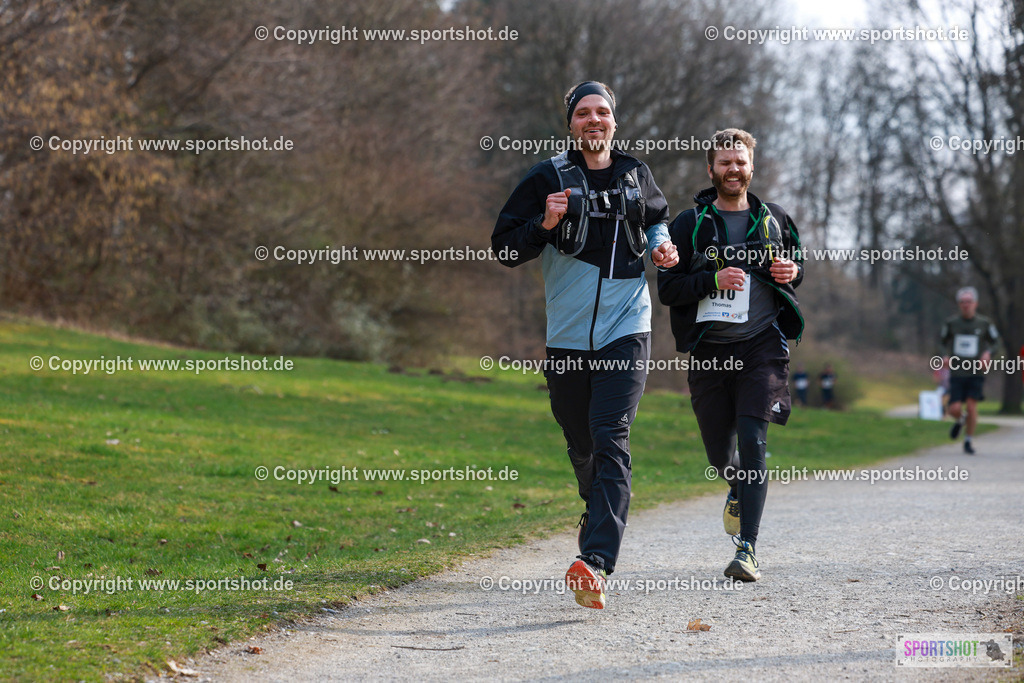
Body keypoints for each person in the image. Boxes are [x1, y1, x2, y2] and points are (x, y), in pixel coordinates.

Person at [491, 81, 678, 609]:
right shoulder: (547, 176)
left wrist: (663, 249)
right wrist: (545, 224)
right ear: (570, 123)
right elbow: (504, 249)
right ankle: (594, 508)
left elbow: (658, 220)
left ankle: (594, 562)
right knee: (581, 443)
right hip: (568, 337)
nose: (594, 121)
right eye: (583, 114)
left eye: (602, 113)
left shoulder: (636, 173)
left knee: (609, 432)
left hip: (627, 324)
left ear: (614, 122)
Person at [658, 128, 803, 582]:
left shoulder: (774, 218)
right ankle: (736, 485)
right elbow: (669, 290)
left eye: (740, 161)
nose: (733, 169)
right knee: (721, 455)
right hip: (710, 353)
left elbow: (796, 267)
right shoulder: (688, 224)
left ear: (752, 166)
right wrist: (712, 281)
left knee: (754, 444)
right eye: (724, 162)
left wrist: (792, 271)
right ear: (711, 169)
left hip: (762, 347)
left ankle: (748, 549)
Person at [939, 286, 1002, 454]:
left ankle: (968, 441)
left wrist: (988, 353)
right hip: (958, 372)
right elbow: (942, 342)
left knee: (972, 406)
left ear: (976, 303)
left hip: (976, 372)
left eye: (969, 301)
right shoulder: (951, 324)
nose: (966, 305)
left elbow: (996, 342)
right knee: (953, 409)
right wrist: (945, 356)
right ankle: (961, 420)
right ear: (959, 304)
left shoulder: (984, 323)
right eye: (962, 302)